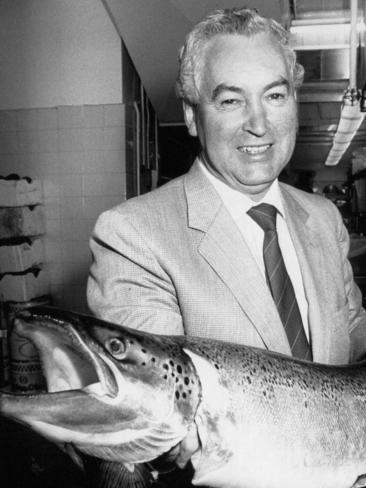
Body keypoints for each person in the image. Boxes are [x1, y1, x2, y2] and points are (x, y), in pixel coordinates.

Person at [87, 7, 366, 367]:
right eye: (231, 101)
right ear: (191, 115)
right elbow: (161, 401)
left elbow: (350, 326)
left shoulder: (323, 217)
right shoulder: (133, 236)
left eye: (275, 96)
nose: (259, 124)